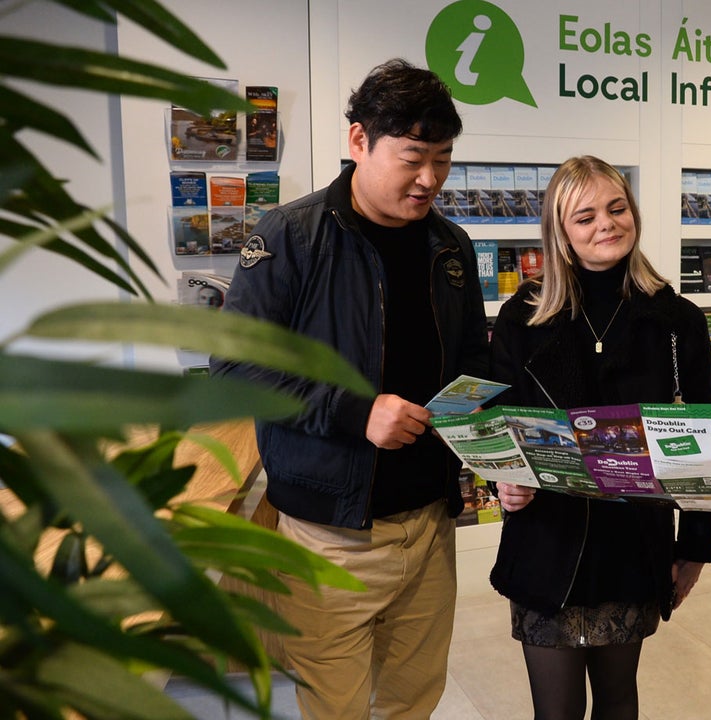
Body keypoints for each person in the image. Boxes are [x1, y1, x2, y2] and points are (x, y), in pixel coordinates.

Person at [211, 58, 489, 719]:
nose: (430, 180)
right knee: (333, 707)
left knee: (413, 699)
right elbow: (234, 375)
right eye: (414, 157)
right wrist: (356, 413)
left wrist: (485, 428)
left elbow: (476, 361)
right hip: (328, 535)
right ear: (358, 141)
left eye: (444, 159)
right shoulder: (290, 238)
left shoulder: (452, 246)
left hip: (429, 527)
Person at [488, 155, 711, 720]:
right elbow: (497, 420)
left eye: (616, 208)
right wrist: (505, 478)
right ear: (562, 234)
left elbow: (704, 445)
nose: (606, 225)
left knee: (618, 700)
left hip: (632, 544)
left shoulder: (677, 321)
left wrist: (693, 549)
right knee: (557, 711)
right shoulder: (523, 316)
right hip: (548, 542)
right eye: (585, 216)